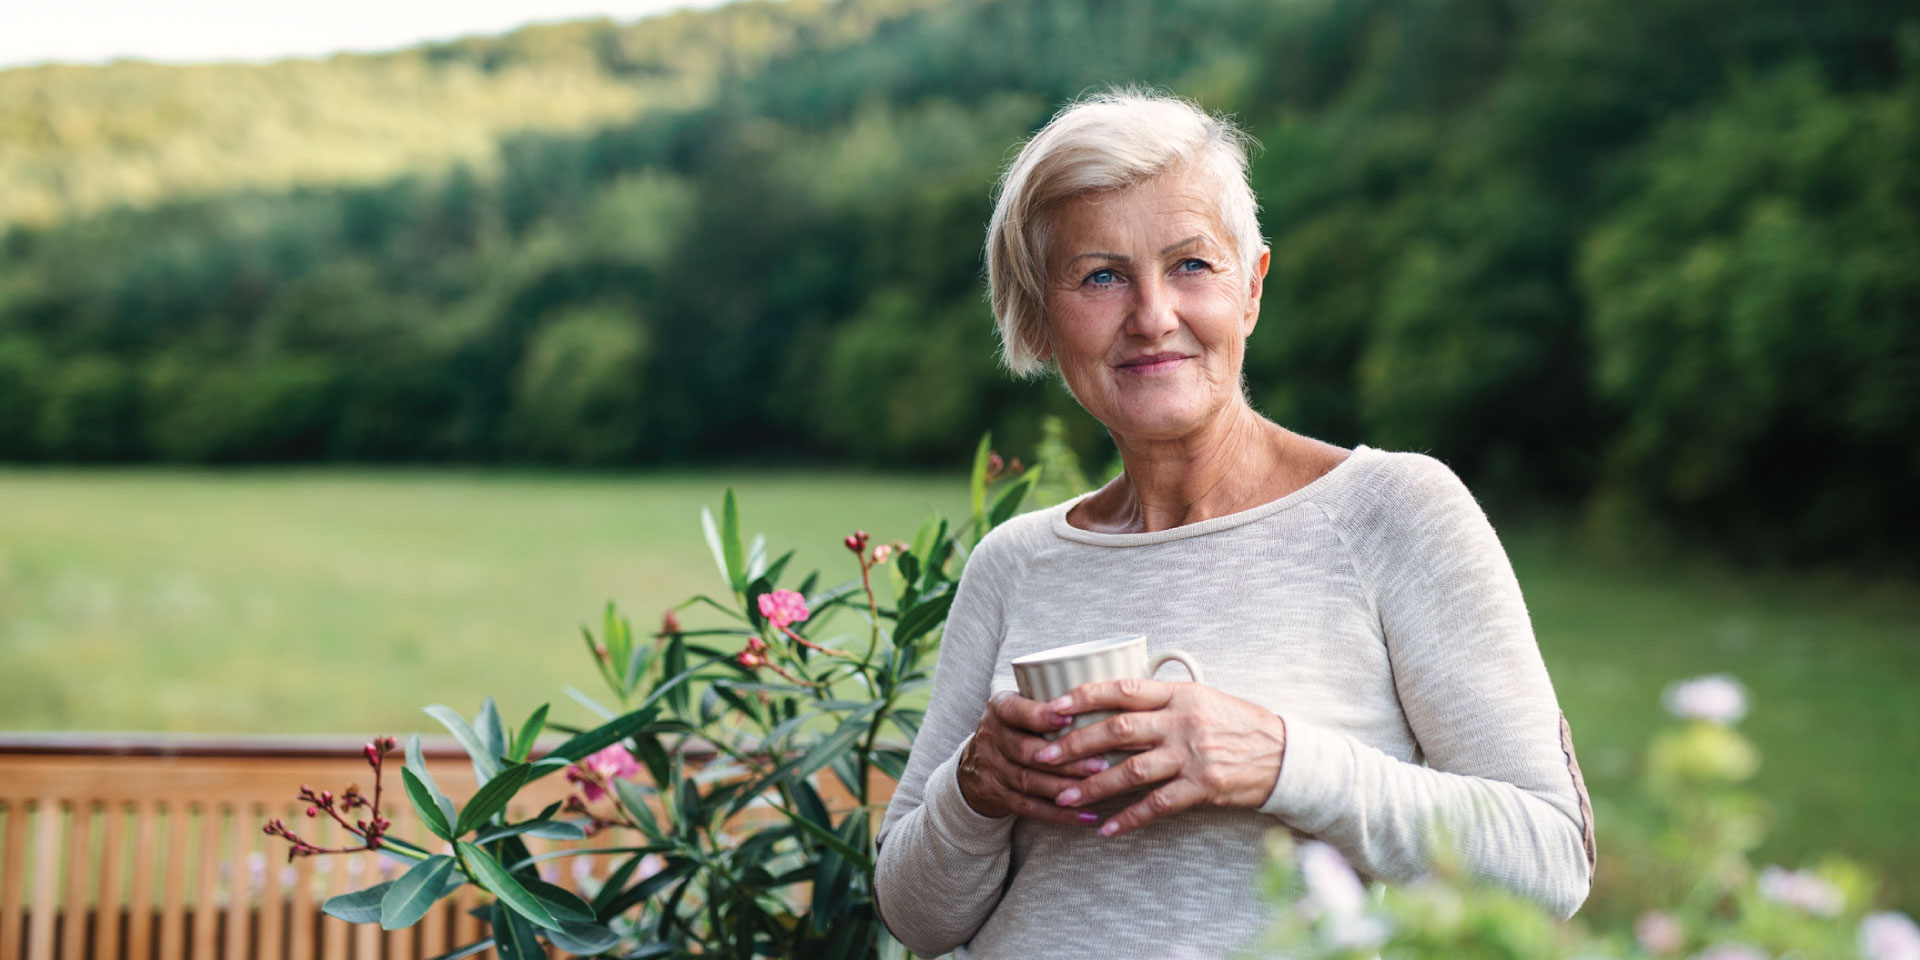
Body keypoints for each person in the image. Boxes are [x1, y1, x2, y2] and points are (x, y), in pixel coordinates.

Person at [871, 89, 1595, 960]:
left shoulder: (1393, 512)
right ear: (1039, 317)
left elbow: (1550, 865)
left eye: (1191, 266)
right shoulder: (1015, 564)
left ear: (1250, 289)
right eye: (1101, 276)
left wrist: (1283, 761)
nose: (1152, 316)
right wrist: (974, 787)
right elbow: (917, 916)